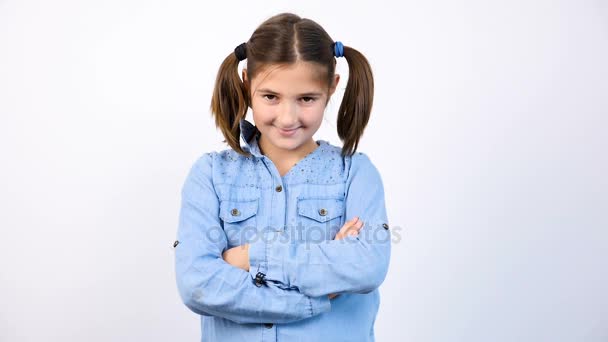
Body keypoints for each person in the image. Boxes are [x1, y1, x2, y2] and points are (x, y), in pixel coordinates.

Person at [174, 12, 391, 342]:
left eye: (306, 99)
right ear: (247, 84)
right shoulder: (211, 175)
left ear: (331, 88)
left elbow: (366, 265)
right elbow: (197, 283)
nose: (288, 118)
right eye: (270, 97)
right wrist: (311, 294)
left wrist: (249, 257)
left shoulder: (355, 174)